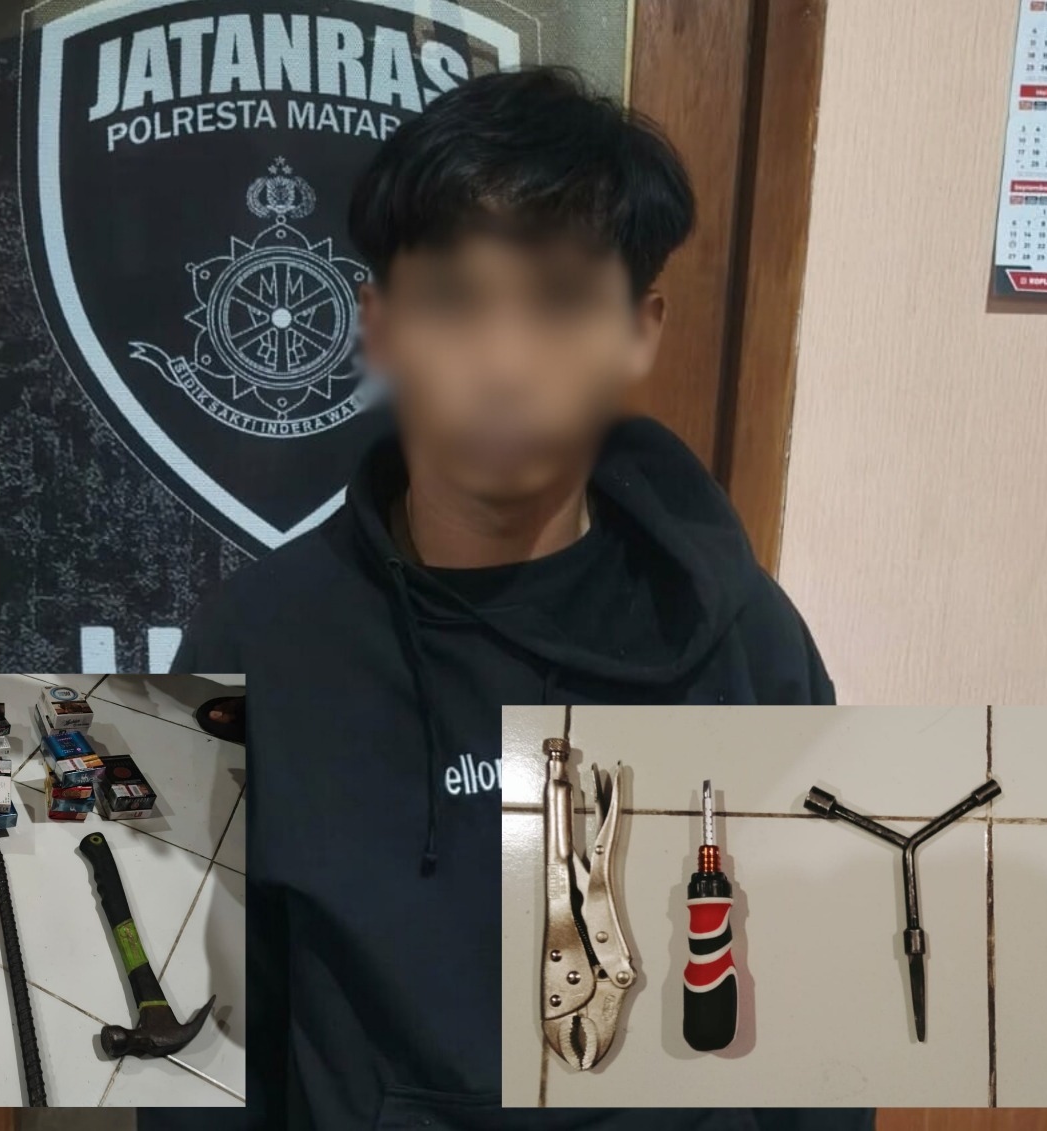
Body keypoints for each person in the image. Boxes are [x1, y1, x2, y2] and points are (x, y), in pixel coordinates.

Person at [173, 68, 845, 1131]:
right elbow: (200, 1050)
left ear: (638, 330)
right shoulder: (253, 641)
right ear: (379, 326)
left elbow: (818, 1035)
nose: (503, 361)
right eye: (453, 300)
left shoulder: (743, 636)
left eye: (561, 301)